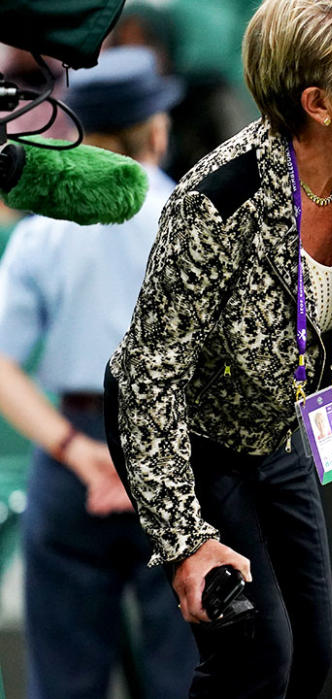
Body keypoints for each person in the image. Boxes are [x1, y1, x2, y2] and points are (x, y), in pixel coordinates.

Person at [102, 0, 332, 695]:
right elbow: (149, 380)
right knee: (255, 658)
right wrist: (184, 540)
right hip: (190, 438)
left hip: (280, 431)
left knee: (314, 655)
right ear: (317, 103)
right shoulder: (217, 201)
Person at [0, 47, 198, 698]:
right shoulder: (199, 224)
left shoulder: (42, 233)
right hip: (180, 454)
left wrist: (75, 450)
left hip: (73, 454)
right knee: (188, 668)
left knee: (65, 676)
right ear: (158, 132)